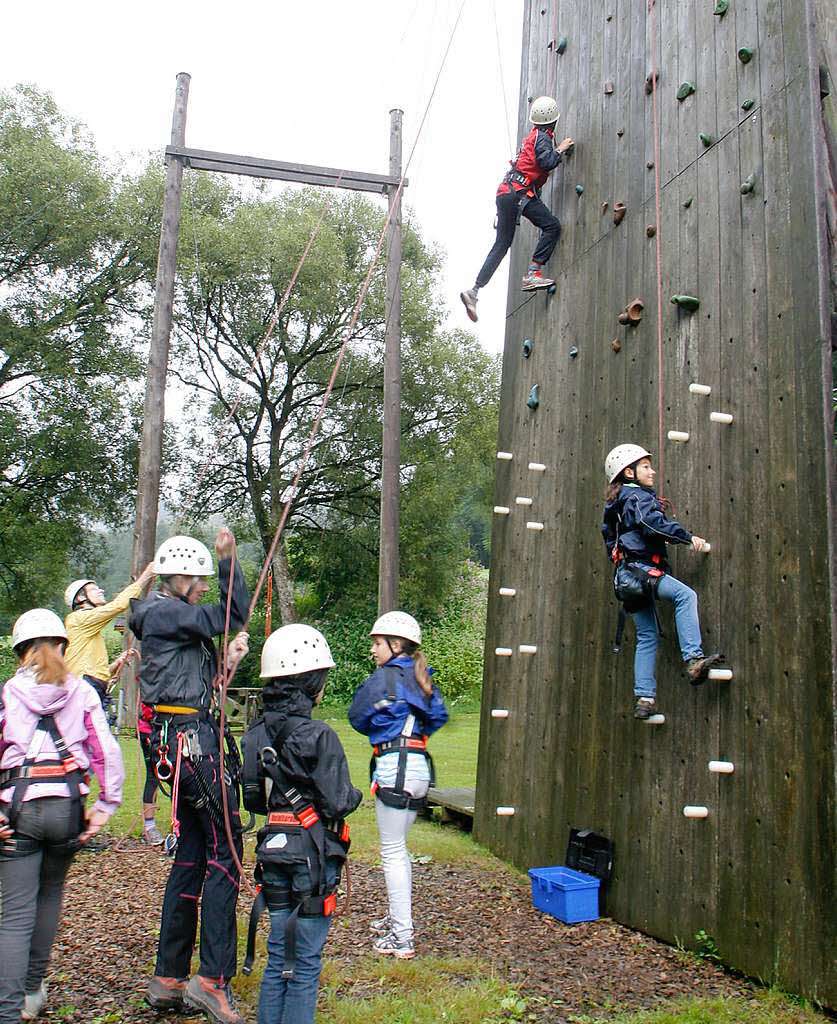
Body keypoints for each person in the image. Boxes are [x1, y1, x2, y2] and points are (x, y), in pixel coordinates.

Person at [129, 530, 250, 1024]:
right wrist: (228, 562)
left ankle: (170, 975)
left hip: (180, 741)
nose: (202, 588)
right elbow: (230, 615)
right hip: (190, 745)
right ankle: (211, 979)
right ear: (178, 578)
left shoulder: (170, 620)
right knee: (226, 849)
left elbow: (201, 683)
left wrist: (229, 663)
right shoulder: (164, 611)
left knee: (196, 851)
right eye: (198, 580)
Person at [0, 608, 124, 1024]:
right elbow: (107, 752)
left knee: (15, 914)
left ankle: (7, 1010)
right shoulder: (84, 692)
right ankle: (33, 990)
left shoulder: (8, 694)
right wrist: (105, 807)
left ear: (21, 652)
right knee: (49, 896)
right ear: (62, 646)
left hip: (18, 809)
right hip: (68, 808)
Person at [240, 624, 362, 1024]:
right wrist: (355, 794)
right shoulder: (318, 735)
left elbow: (253, 797)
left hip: (272, 852)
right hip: (312, 856)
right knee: (305, 962)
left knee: (279, 958)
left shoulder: (256, 735)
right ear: (313, 683)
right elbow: (339, 801)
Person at [348, 611, 448, 959]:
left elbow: (356, 715)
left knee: (392, 852)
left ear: (396, 644)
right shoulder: (421, 677)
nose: (373, 650)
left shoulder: (383, 679)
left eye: (377, 643)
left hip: (395, 767)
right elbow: (439, 715)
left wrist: (387, 729)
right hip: (418, 767)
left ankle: (402, 936)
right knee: (399, 849)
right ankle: (396, 919)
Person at [601, 444, 723, 719]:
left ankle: (645, 699)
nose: (652, 470)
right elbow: (651, 523)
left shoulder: (615, 503)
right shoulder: (637, 497)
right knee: (685, 596)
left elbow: (610, 536)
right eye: (645, 466)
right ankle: (693, 659)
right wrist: (686, 537)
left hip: (625, 578)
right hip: (643, 572)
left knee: (646, 637)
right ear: (629, 472)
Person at [460, 95, 574, 323]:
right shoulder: (542, 137)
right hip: (519, 193)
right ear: (554, 121)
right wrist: (560, 150)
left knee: (502, 244)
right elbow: (546, 162)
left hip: (506, 193)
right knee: (552, 226)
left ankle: (474, 291)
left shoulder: (531, 137)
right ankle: (533, 273)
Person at [64, 562, 157, 717]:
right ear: (81, 597)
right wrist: (146, 575)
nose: (101, 590)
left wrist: (116, 663)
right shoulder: (79, 618)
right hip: (84, 688)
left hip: (89, 687)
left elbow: (94, 672)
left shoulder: (88, 629)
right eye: (93, 589)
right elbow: (119, 605)